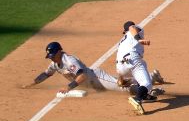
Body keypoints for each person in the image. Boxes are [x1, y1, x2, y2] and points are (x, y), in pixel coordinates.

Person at [22, 41, 164, 96]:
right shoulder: (54, 64)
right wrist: (32, 84)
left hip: (96, 78)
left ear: (59, 51)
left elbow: (82, 75)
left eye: (53, 55)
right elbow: (45, 74)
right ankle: (152, 77)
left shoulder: (69, 60)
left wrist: (68, 87)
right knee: (123, 83)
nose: (51, 57)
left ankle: (150, 90)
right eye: (50, 56)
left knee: (122, 87)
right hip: (93, 85)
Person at [116, 21, 162, 114]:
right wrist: (139, 39)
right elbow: (131, 28)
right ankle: (137, 99)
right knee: (147, 84)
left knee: (142, 67)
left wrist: (121, 79)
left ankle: (144, 95)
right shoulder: (133, 30)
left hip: (120, 67)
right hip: (132, 60)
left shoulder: (121, 42)